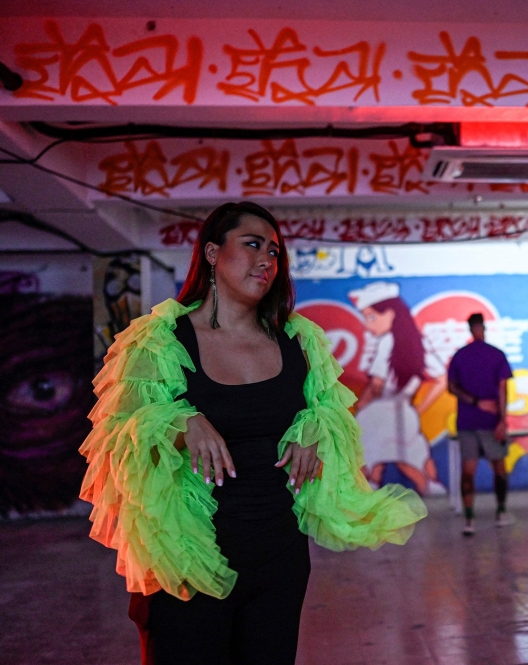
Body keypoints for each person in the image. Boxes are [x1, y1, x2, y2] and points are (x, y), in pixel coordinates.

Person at [80, 202, 426, 665]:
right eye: (252, 244)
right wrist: (179, 420)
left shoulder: (298, 340)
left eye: (275, 251)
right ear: (211, 253)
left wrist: (314, 428)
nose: (267, 259)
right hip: (189, 560)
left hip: (279, 558)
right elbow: (117, 438)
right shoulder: (162, 339)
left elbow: (332, 410)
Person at [349, 281, 448, 496]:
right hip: (404, 412)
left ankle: (367, 510)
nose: (368, 325)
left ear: (391, 313)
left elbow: (376, 384)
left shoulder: (386, 341)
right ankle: (433, 502)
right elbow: (442, 379)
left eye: (371, 317)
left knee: (369, 464)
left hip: (377, 413)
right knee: (415, 459)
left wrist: (359, 408)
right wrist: (418, 409)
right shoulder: (418, 341)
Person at [448, 312, 514, 535]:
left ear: (469, 328)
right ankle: (501, 512)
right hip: (491, 423)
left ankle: (469, 519)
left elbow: (452, 387)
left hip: (467, 422)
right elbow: (503, 389)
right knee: (499, 469)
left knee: (468, 470)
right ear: (483, 328)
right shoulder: (497, 355)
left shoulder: (459, 356)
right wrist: (503, 421)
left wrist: (475, 402)